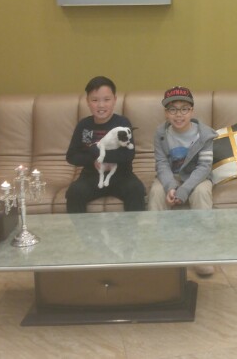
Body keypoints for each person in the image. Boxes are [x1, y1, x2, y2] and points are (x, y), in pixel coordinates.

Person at [150, 86, 217, 276]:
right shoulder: (161, 133)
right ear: (166, 113)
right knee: (156, 192)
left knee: (202, 193)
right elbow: (162, 163)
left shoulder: (204, 134)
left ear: (192, 111)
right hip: (171, 176)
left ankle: (202, 255)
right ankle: (157, 252)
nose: (178, 114)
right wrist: (171, 186)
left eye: (184, 109)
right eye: (172, 109)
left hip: (197, 177)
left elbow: (204, 167)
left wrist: (184, 190)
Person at [65, 76, 146, 213]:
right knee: (74, 192)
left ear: (114, 100)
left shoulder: (122, 123)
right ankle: (81, 228)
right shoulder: (84, 125)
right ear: (87, 101)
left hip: (122, 175)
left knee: (136, 189)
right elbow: (72, 156)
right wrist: (93, 160)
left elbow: (128, 155)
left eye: (106, 100)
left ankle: (132, 228)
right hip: (91, 175)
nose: (101, 105)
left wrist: (97, 153)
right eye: (95, 100)